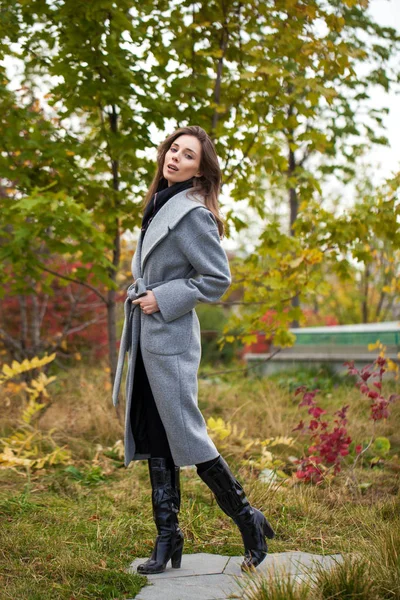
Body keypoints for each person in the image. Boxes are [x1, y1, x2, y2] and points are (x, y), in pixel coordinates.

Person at [112, 125, 275, 575]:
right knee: (155, 437)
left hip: (170, 341)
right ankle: (168, 539)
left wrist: (162, 298)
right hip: (148, 338)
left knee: (188, 437)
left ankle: (249, 520)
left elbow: (217, 280)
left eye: (187, 155)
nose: (175, 158)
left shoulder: (192, 214)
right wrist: (142, 291)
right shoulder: (157, 206)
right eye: (173, 149)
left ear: (200, 170)